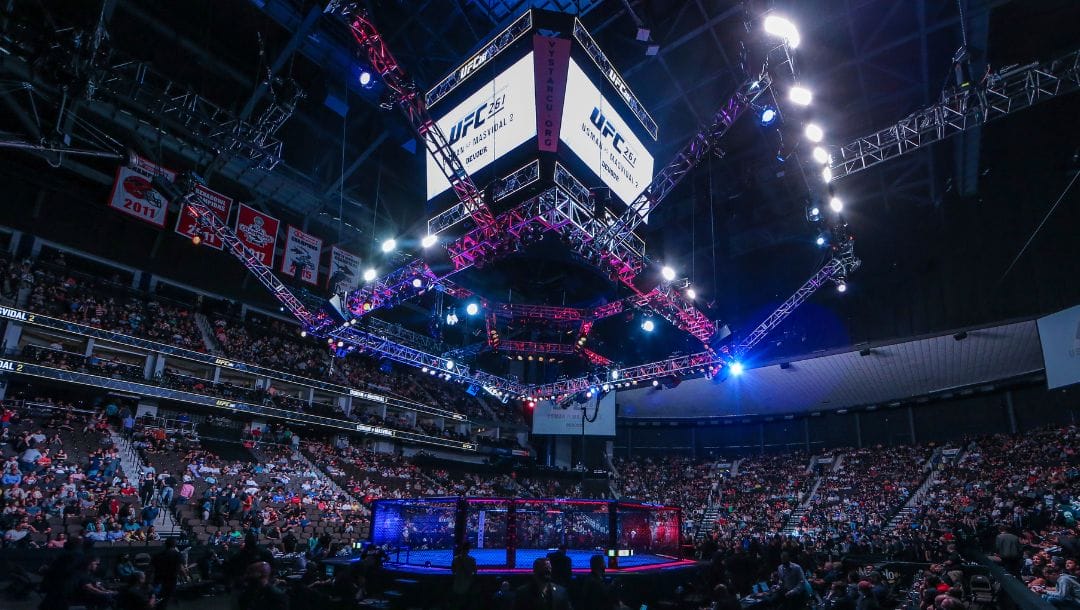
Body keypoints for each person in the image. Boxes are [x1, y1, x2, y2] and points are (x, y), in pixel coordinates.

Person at [151, 537, 186, 607]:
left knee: (158, 597)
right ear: (175, 545)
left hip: (158, 579)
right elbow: (181, 568)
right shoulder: (178, 555)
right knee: (166, 598)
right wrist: (186, 576)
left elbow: (151, 569)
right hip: (171, 580)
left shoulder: (157, 555)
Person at [448, 542, 477, 610]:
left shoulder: (455, 559)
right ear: (468, 550)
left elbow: (453, 570)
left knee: (456, 603)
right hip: (467, 585)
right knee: (466, 603)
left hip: (457, 584)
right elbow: (475, 571)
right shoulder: (472, 560)